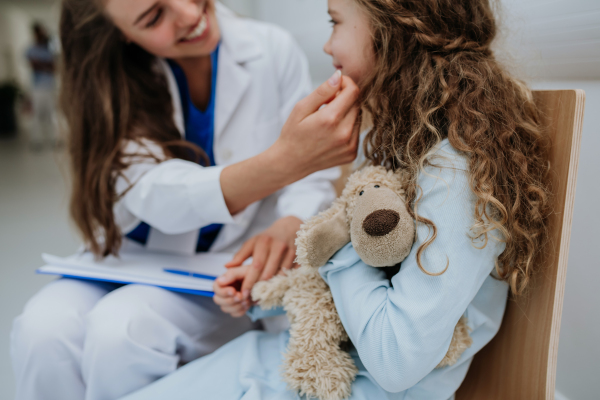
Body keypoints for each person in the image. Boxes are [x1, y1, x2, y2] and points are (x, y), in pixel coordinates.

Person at [121, 0, 552, 399]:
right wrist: (275, 287)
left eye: (335, 21)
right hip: (305, 363)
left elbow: (394, 359)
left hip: (344, 385)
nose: (327, 44)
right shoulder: (406, 138)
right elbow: (367, 277)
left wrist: (333, 246)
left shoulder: (453, 169)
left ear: (391, 30)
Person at [10, 1, 361, 400]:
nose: (189, 14)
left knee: (121, 332)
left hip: (221, 270)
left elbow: (312, 180)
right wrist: (283, 161)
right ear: (122, 35)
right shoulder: (113, 80)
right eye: (154, 16)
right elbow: (158, 193)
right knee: (41, 329)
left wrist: (291, 221)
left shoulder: (271, 49)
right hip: (131, 257)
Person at [26, 23, 59, 149]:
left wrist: (42, 64)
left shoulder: (49, 49)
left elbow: (54, 67)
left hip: (50, 86)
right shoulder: (30, 49)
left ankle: (53, 139)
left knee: (52, 114)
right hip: (37, 87)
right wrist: (47, 65)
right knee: (37, 115)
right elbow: (35, 65)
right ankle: (36, 141)